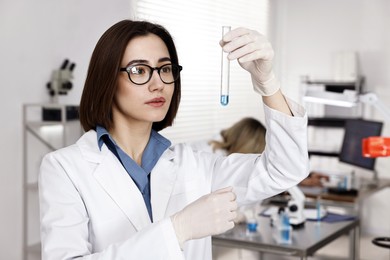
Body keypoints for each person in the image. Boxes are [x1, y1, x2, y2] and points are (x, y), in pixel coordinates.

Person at [38, 19, 309, 260]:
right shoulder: (64, 168)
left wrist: (267, 81)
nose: (158, 83)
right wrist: (178, 229)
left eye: (165, 69)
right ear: (107, 78)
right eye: (139, 70)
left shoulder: (193, 165)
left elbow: (284, 169)